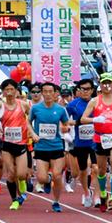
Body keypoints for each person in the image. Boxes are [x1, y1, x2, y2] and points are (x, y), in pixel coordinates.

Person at [81, 73, 112, 212]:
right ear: (100, 85)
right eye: (104, 83)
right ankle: (103, 193)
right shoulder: (94, 101)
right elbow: (83, 119)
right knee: (101, 170)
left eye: (109, 83)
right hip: (100, 138)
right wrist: (95, 119)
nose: (107, 86)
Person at [29, 82, 71, 213]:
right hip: (41, 147)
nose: (47, 94)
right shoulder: (35, 108)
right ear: (42, 93)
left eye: (50, 92)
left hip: (57, 146)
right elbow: (28, 123)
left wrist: (65, 128)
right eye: (45, 91)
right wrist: (33, 134)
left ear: (54, 94)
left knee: (57, 175)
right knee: (41, 178)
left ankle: (56, 201)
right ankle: (47, 180)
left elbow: (66, 124)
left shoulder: (60, 109)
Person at [0, 79, 34, 210]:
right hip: (6, 144)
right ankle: (14, 199)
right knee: (11, 173)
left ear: (16, 90)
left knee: (22, 174)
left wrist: (31, 132)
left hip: (21, 143)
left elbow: (29, 119)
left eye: (12, 89)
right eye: (6, 90)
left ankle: (23, 184)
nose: (9, 92)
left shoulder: (23, 105)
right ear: (3, 92)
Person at [66, 78, 97, 208]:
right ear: (78, 90)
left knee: (96, 168)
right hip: (81, 142)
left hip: (96, 141)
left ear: (92, 90)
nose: (85, 92)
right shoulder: (73, 105)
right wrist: (78, 122)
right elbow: (65, 122)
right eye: (82, 89)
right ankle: (86, 192)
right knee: (83, 171)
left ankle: (96, 195)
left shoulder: (98, 102)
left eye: (88, 89)